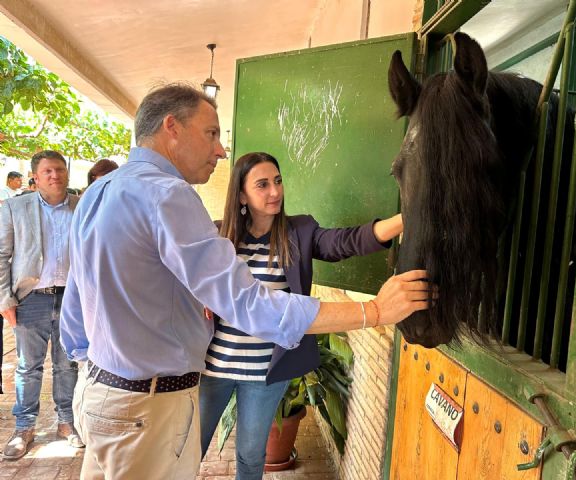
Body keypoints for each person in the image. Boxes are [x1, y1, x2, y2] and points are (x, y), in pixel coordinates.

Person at [59, 83, 433, 480]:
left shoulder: (99, 190)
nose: (220, 149)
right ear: (172, 127)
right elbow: (249, 303)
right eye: (211, 133)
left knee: (250, 456)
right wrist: (374, 311)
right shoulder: (171, 197)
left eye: (278, 181)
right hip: (149, 406)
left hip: (101, 393)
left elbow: (76, 302)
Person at [199, 152, 404, 477]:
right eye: (262, 185)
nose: (275, 192)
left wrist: (406, 219)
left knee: (252, 456)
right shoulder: (219, 236)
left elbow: (345, 242)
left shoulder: (299, 231)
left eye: (278, 181)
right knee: (190, 448)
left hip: (266, 374)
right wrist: (199, 295)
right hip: (214, 368)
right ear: (241, 194)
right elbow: (185, 275)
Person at [0, 151, 83, 460]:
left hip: (72, 299)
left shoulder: (81, 206)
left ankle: (67, 422)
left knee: (67, 364)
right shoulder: (14, 207)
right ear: (35, 176)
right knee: (27, 367)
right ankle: (24, 427)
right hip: (30, 299)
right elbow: (1, 255)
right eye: (47, 171)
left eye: (59, 169)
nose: (54, 175)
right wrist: (4, 299)